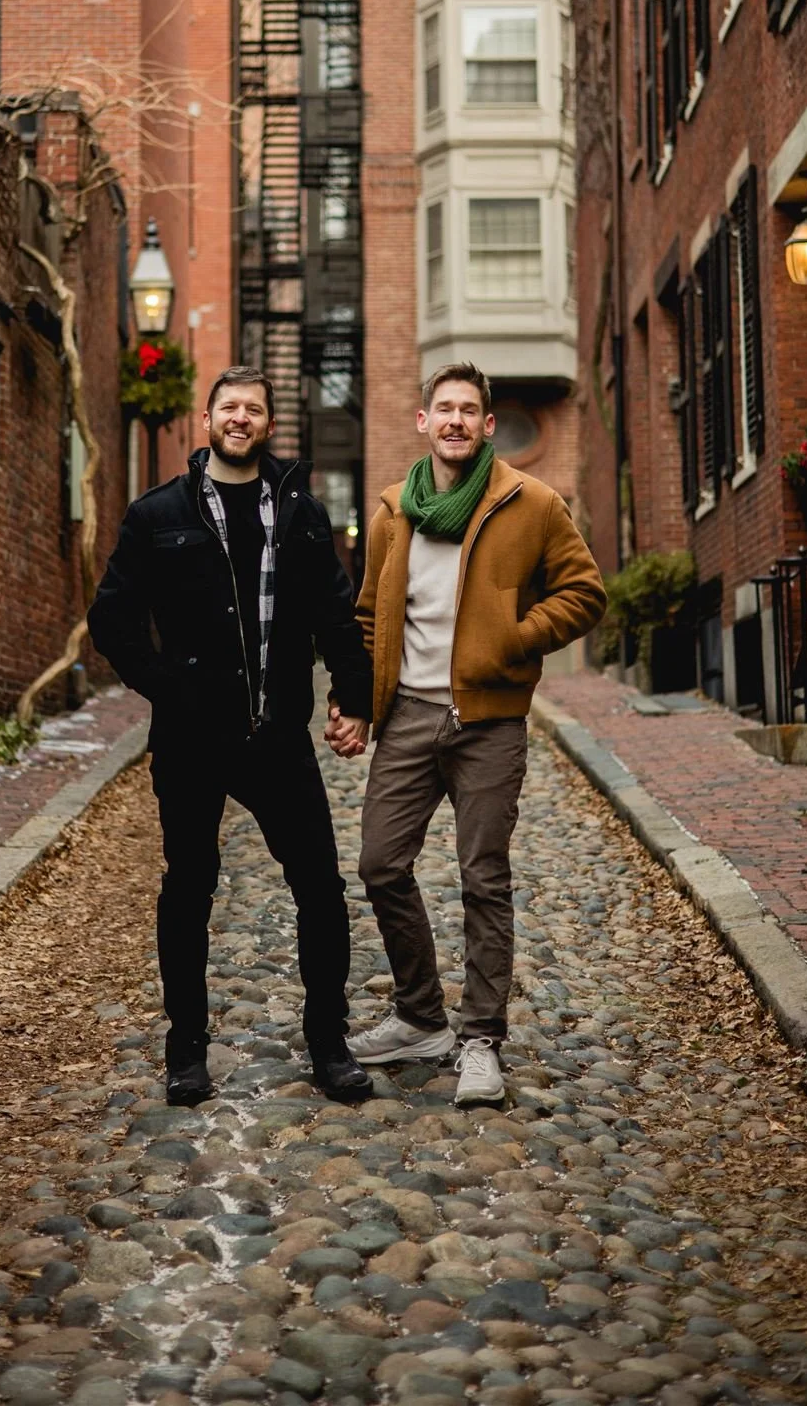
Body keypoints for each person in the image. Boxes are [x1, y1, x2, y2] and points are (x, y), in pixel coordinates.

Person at [88, 365, 374, 1106]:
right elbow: (111, 620)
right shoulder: (158, 515)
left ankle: (328, 1042)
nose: (239, 418)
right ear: (207, 419)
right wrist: (166, 685)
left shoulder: (301, 513)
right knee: (188, 888)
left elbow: (335, 615)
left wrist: (353, 696)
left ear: (267, 424)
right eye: (228, 407)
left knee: (319, 887)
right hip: (189, 742)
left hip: (277, 736)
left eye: (253, 408)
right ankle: (185, 1050)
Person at [328, 361, 605, 1107]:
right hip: (408, 718)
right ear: (422, 423)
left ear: (486, 426)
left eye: (467, 411)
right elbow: (366, 619)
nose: (453, 420)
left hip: (488, 719)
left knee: (484, 878)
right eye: (441, 409)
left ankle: (480, 1037)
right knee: (381, 864)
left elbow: (585, 593)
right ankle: (420, 1017)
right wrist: (355, 702)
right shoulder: (392, 514)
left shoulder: (531, 502)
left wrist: (513, 640)